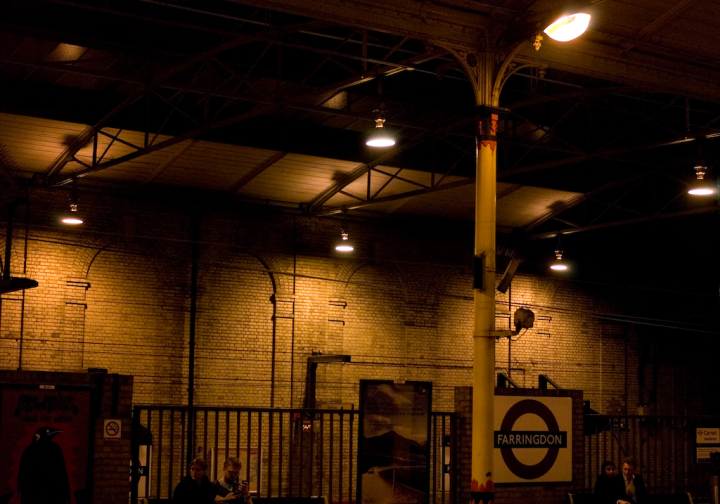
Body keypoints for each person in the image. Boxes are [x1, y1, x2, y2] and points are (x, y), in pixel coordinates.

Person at [173, 458, 239, 503]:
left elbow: (212, 497)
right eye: (192, 469)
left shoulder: (206, 484)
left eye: (198, 470)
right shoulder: (184, 484)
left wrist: (225, 499)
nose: (194, 472)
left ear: (204, 472)